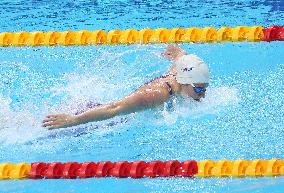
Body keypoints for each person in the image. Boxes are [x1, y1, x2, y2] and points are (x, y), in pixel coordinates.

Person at [42, 44, 210, 130]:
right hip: (103, 118)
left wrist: (175, 51)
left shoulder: (180, 71)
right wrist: (74, 120)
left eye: (204, 88)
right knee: (42, 127)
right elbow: (115, 108)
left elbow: (180, 55)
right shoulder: (157, 94)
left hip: (101, 108)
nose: (202, 95)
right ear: (184, 81)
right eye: (198, 89)